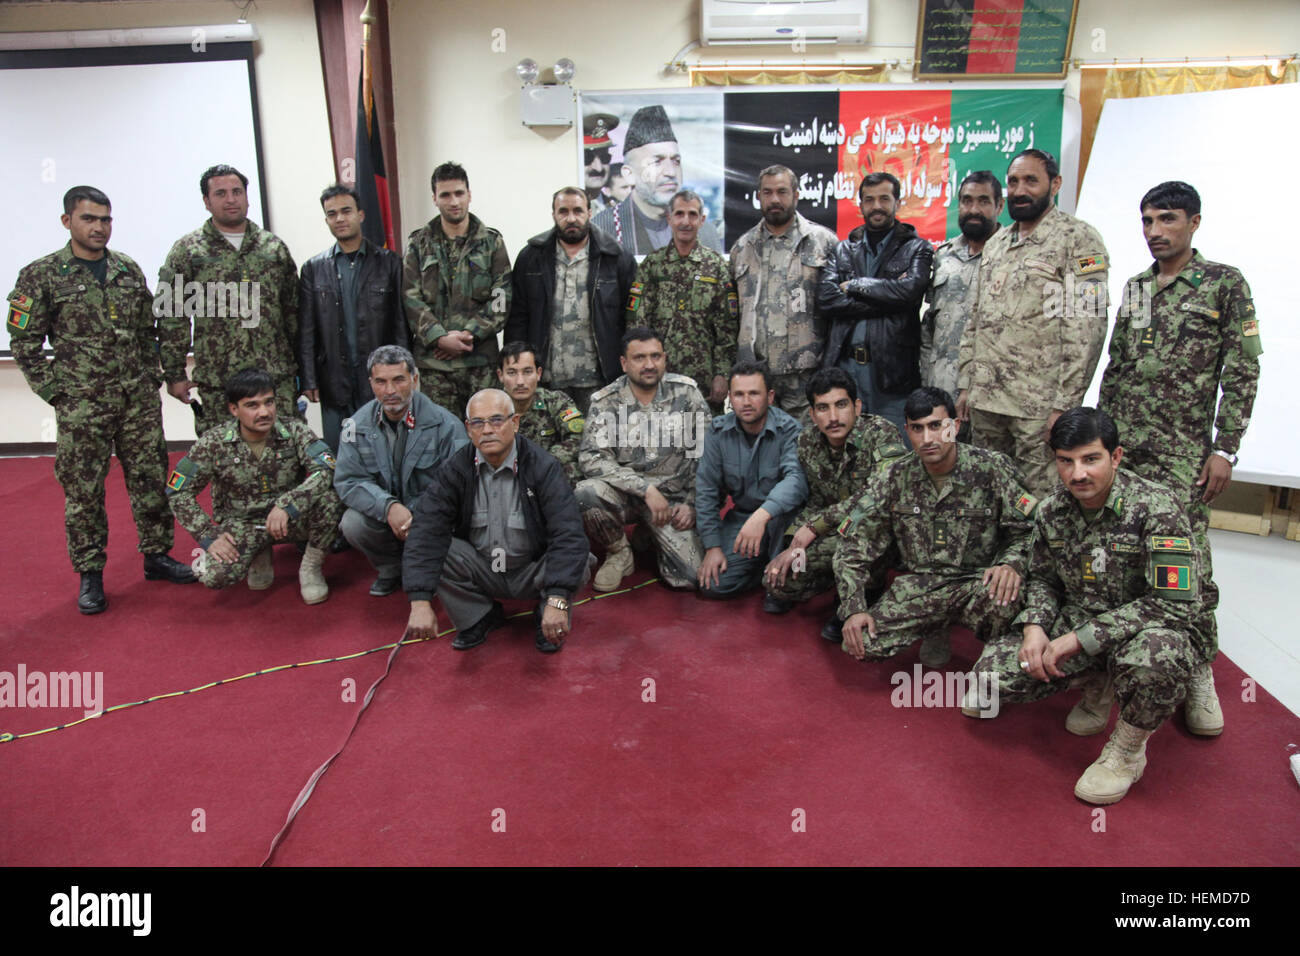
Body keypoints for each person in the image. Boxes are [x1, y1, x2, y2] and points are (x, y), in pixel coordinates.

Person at [968, 407, 1199, 805]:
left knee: (1160, 656)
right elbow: (1042, 577)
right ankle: (1097, 683)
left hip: (1140, 630)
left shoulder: (1157, 507)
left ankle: (1126, 752)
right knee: (990, 678)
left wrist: (1076, 641)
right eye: (1066, 461)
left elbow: (1174, 605)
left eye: (1091, 459)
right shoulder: (1052, 510)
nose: (1078, 474)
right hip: (1076, 619)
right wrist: (1035, 629)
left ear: (1117, 456)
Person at [1098, 181, 1262, 737]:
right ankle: (1117, 670)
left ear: (1194, 222)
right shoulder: (1137, 287)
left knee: (1186, 562)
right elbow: (1117, 367)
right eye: (1146, 221)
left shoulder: (1223, 285)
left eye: (1166, 219)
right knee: (1122, 555)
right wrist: (1101, 441)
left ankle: (1197, 670)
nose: (1154, 232)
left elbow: (1242, 372)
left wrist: (1225, 447)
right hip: (1129, 452)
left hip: (1184, 455)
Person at [7, 185, 195, 613]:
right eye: (89, 218)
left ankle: (157, 555)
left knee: (149, 479)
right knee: (84, 492)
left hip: (137, 401)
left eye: (105, 219)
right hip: (83, 406)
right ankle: (90, 574)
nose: (99, 227)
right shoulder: (41, 275)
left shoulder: (127, 269)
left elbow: (149, 328)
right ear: (67, 221)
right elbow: (24, 342)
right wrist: (57, 392)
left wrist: (157, 375)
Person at [833, 387, 1036, 667]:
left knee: (1007, 597)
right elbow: (853, 544)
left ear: (955, 425)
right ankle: (934, 626)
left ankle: (996, 659)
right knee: (862, 643)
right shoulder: (893, 477)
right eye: (917, 428)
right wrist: (854, 609)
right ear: (907, 430)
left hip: (977, 582)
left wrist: (1010, 564)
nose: (927, 438)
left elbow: (1028, 530)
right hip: (922, 584)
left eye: (936, 426)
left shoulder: (992, 469)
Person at [956, 148, 1110, 497]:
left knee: (1040, 500)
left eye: (1031, 181)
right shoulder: (997, 243)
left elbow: (1087, 329)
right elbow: (975, 318)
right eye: (1013, 181)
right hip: (987, 402)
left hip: (1038, 409)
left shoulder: (1077, 239)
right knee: (989, 495)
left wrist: (1064, 405)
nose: (1020, 190)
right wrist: (967, 384)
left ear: (1054, 184)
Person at [402, 389, 593, 654]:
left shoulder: (543, 466)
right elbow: (426, 529)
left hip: (532, 571)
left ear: (514, 423)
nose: (487, 430)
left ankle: (545, 613)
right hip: (485, 568)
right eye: (478, 423)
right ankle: (479, 615)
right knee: (437, 545)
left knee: (580, 558)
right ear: (468, 429)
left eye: (496, 420)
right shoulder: (455, 469)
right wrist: (420, 601)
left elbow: (569, 534)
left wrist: (558, 600)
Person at [165, 368, 345, 604]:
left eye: (269, 402)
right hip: (243, 524)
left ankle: (310, 566)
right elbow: (178, 490)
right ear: (234, 409)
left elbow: (325, 468)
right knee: (214, 576)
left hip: (290, 518)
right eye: (252, 405)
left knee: (331, 498)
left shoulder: (293, 430)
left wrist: (289, 505)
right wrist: (207, 535)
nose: (264, 412)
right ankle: (259, 551)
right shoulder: (214, 442)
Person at [158, 164, 301, 427]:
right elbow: (171, 316)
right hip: (219, 382)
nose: (231, 199)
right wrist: (174, 374)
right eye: (221, 193)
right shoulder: (187, 252)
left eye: (237, 192)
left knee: (283, 457)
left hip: (274, 379)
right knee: (224, 460)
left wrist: (303, 371)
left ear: (247, 197)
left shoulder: (273, 248)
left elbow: (293, 312)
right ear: (206, 201)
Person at [763, 367, 907, 617]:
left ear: (857, 406)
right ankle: (839, 582)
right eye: (822, 408)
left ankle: (866, 589)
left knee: (851, 546)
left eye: (841, 405)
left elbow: (879, 496)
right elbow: (816, 501)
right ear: (812, 413)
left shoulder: (882, 434)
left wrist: (815, 527)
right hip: (835, 534)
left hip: (875, 529)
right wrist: (792, 543)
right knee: (780, 583)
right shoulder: (808, 443)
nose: (833, 417)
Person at [576, 327, 710, 592]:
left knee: (692, 577)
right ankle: (619, 552)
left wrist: (691, 503)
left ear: (664, 358)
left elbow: (707, 456)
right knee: (586, 492)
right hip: (627, 496)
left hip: (672, 500)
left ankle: (651, 533)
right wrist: (644, 489)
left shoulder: (687, 394)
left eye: (655, 356)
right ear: (624, 363)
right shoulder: (606, 402)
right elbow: (592, 458)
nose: (649, 365)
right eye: (639, 358)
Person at [333, 345, 468, 596]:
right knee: (352, 523)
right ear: (371, 383)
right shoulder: (356, 426)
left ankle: (428, 566)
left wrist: (414, 513)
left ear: (414, 379)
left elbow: (457, 486)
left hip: (430, 516)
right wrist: (389, 507)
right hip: (386, 516)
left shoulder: (447, 425)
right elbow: (348, 481)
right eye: (381, 382)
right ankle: (391, 568)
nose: (390, 391)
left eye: (398, 380)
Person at [817, 172, 934, 437]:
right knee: (849, 451)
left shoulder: (917, 249)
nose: (877, 206)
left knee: (893, 453)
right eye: (869, 200)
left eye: (884, 198)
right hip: (845, 370)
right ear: (860, 206)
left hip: (891, 375)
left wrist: (857, 285)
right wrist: (889, 299)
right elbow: (826, 299)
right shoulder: (842, 250)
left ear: (897, 203)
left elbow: (910, 292)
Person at [505, 187, 636, 413]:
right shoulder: (531, 257)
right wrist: (517, 368)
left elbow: (631, 320)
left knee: (600, 444)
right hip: (545, 379)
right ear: (553, 215)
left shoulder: (616, 258)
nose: (571, 218)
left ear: (589, 212)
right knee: (545, 445)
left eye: (578, 211)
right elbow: (517, 316)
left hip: (600, 380)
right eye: (563, 211)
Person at [299, 184, 407, 451]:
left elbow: (401, 325)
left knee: (386, 449)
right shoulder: (314, 268)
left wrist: (404, 372)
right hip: (334, 378)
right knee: (341, 453)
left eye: (346, 211)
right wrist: (309, 378)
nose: (340, 218)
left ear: (360, 214)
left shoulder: (390, 263)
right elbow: (306, 330)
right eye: (332, 214)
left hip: (380, 379)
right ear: (326, 220)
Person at [402, 161, 512, 418]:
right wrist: (440, 337)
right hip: (434, 365)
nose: (454, 201)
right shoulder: (419, 243)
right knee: (441, 439)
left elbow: (501, 296)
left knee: (486, 432)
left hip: (480, 361)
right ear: (435, 199)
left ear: (469, 195)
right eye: (445, 195)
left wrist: (467, 335)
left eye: (459, 193)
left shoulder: (491, 242)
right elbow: (410, 297)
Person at [730, 164, 839, 419]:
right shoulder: (742, 248)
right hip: (756, 378)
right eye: (767, 193)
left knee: (805, 449)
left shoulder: (823, 242)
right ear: (758, 197)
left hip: (805, 378)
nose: (775, 199)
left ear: (796, 195)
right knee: (760, 449)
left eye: (782, 191)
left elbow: (838, 311)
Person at [696, 360, 808, 598]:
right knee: (713, 585)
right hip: (743, 518)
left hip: (783, 519)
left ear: (769, 396)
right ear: (729, 397)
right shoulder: (718, 432)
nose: (746, 402)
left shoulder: (790, 430)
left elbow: (796, 480)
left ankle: (776, 573)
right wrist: (713, 546)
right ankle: (761, 567)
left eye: (754, 393)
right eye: (739, 394)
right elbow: (707, 492)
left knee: (787, 591)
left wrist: (762, 515)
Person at [625, 189, 737, 411]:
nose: (686, 221)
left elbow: (727, 329)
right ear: (669, 218)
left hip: (704, 383)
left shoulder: (715, 266)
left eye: (692, 215)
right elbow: (637, 325)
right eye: (679, 214)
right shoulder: (652, 266)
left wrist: (722, 374)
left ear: (702, 220)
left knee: (703, 442)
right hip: (658, 378)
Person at [591, 104, 723, 256]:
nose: (670, 172)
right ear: (629, 174)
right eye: (656, 162)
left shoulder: (705, 232)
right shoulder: (603, 230)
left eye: (676, 161)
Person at [921, 170, 1003, 406]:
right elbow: (930, 326)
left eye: (983, 201)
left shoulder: (1010, 256)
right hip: (942, 388)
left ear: (999, 206)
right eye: (967, 201)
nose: (974, 209)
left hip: (990, 393)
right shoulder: (944, 255)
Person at [496, 341, 585, 485]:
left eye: (527, 372)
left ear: (538, 374)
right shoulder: (491, 407)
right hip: (507, 476)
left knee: (573, 470)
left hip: (548, 474)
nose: (520, 381)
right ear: (500, 375)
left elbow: (578, 437)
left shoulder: (556, 401)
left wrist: (541, 463)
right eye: (512, 373)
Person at [583, 112, 619, 214]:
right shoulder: (565, 210)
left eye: (604, 158)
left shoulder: (619, 209)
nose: (598, 168)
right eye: (587, 158)